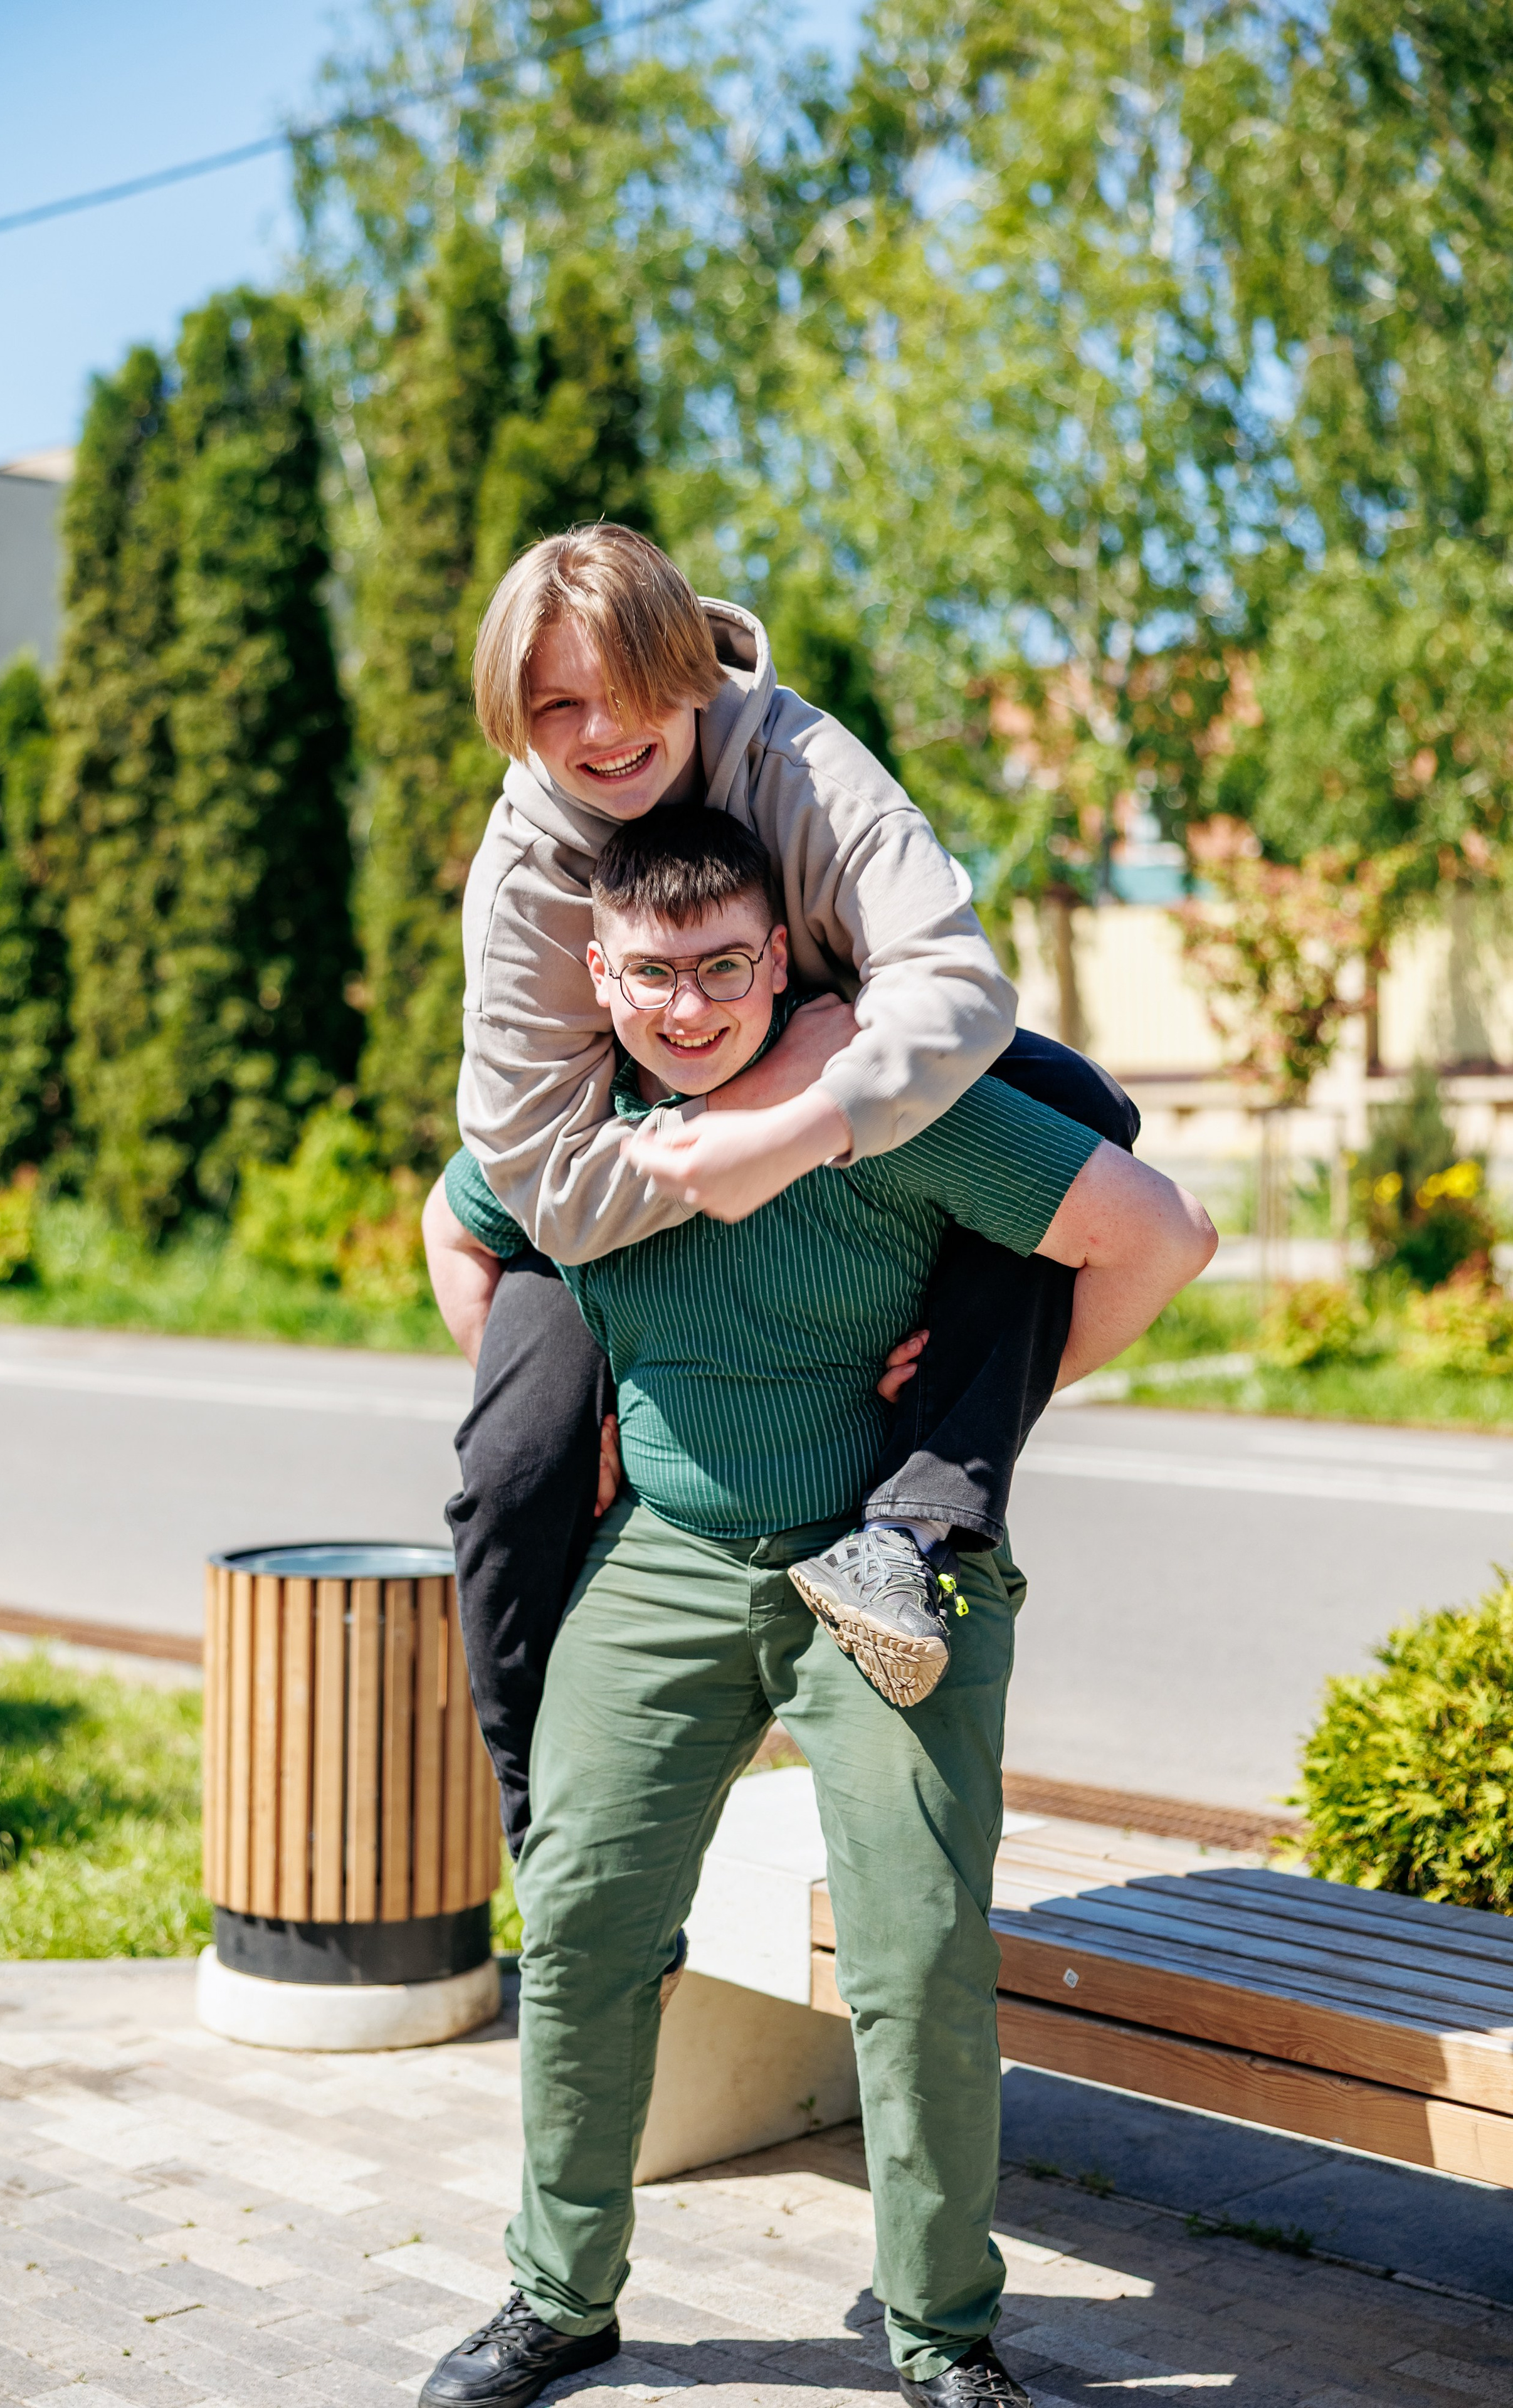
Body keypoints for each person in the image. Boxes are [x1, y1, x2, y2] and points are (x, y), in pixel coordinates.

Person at [425, 811, 1217, 2408]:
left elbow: (1160, 1235)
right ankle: (555, 2299)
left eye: (726, 964)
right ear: (597, 973)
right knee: (579, 1925)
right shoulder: (572, 1122)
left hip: (880, 1565)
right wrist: (565, 1403)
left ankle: (937, 2332)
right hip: (663, 1556)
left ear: (779, 958)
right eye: (653, 974)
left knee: (915, 1953)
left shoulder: (884, 1109)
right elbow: (462, 1226)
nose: (693, 1005)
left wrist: (996, 1400)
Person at [440, 522, 1138, 1839]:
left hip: (830, 1105)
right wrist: (745, 1120)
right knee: (510, 1462)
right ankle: (543, 1819)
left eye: (626, 688)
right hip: (615, 1182)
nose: (600, 732)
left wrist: (809, 1118)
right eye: (556, 706)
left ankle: (921, 1517)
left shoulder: (809, 769)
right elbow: (538, 1184)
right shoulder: (526, 872)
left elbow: (956, 985)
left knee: (1075, 1105)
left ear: (688, 668)